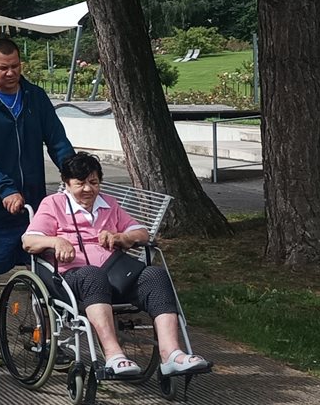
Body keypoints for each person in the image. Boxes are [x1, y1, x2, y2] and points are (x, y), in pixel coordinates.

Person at [22, 152, 209, 380]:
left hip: (115, 275)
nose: (88, 189)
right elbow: (29, 241)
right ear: (67, 183)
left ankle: (171, 354)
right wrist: (56, 241)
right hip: (70, 279)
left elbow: (141, 233)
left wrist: (122, 237)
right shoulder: (53, 204)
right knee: (92, 275)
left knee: (155, 276)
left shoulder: (109, 204)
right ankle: (114, 356)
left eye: (94, 182)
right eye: (80, 183)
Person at [0, 35, 74, 365]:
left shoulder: (34, 97)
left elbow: (57, 140)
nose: (10, 73)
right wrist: (4, 188)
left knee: (43, 271)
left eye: (15, 66)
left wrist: (74, 173)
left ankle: (45, 338)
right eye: (3, 68)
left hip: (33, 205)